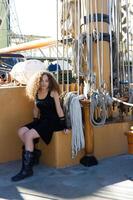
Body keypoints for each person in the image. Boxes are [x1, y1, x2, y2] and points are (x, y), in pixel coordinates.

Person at [11, 71, 66, 182]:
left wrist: (64, 124)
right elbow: (36, 109)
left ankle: (27, 170)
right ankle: (34, 153)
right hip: (42, 120)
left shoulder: (53, 92)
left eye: (46, 81)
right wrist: (35, 121)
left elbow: (59, 109)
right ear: (37, 82)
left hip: (52, 121)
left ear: (50, 81)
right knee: (21, 131)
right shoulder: (36, 92)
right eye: (41, 81)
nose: (44, 83)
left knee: (28, 135)